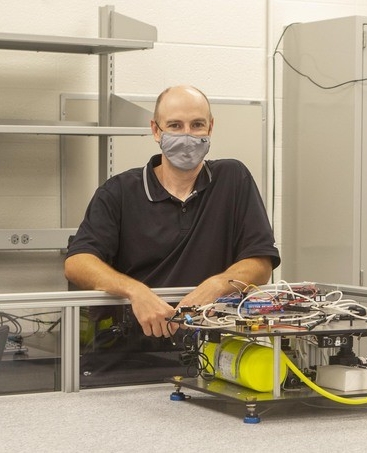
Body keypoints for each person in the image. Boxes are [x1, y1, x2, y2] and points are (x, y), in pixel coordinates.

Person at [65, 85, 280, 339]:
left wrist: (217, 285)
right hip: (131, 351)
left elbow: (261, 263)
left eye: (197, 125)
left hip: (209, 347)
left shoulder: (233, 179)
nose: (187, 136)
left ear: (210, 128)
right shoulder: (119, 192)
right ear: (156, 130)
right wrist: (136, 291)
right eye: (175, 126)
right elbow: (77, 263)